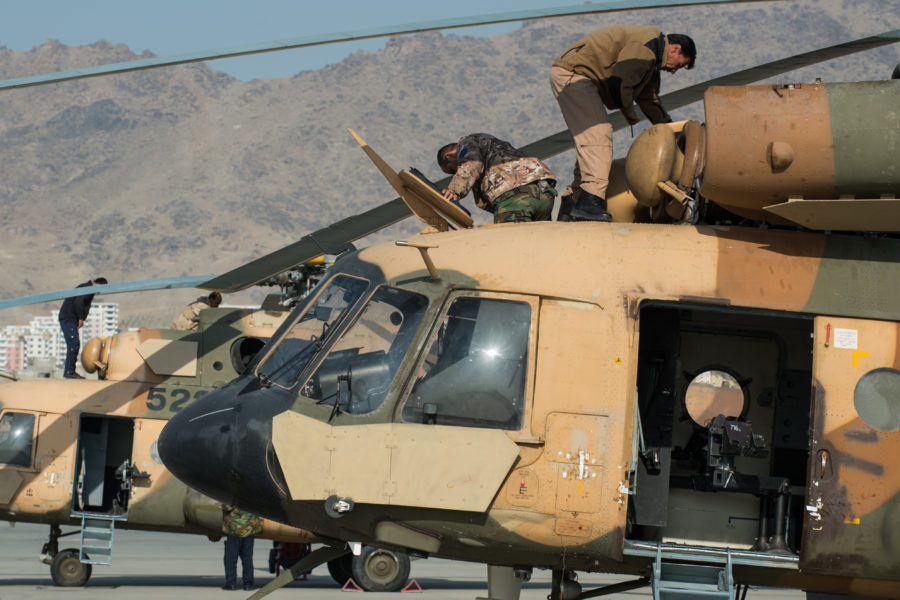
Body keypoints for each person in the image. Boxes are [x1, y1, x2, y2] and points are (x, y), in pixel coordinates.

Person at [550, 26, 696, 222]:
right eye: (678, 65)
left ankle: (572, 203)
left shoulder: (651, 57)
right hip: (574, 76)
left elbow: (649, 98)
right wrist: (627, 110)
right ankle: (589, 201)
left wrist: (671, 130)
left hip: (577, 76)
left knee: (591, 142)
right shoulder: (646, 48)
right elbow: (618, 82)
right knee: (598, 133)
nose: (673, 71)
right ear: (675, 49)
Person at [437, 133, 557, 223]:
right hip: (545, 193)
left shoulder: (466, 143)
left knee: (511, 246)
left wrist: (454, 191)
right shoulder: (491, 145)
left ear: (449, 156)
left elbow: (471, 163)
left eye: (453, 170)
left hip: (515, 196)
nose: (457, 171)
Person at [58, 277, 107, 379]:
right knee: (74, 344)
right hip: (69, 319)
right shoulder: (87, 289)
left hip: (70, 319)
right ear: (96, 284)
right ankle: (69, 371)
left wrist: (81, 318)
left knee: (74, 344)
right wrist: (80, 318)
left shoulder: (88, 289)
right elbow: (78, 303)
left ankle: (69, 371)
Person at [221, 504, 263, 591]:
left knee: (230, 559)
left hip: (235, 530)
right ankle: (248, 584)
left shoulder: (234, 494)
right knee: (247, 559)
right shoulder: (252, 496)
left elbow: (226, 506)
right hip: (249, 531)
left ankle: (231, 583)